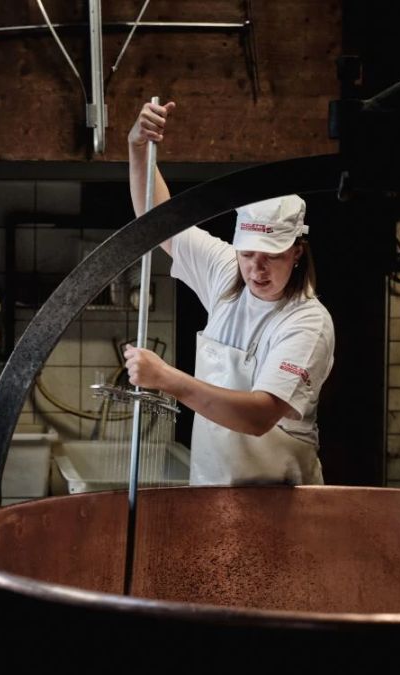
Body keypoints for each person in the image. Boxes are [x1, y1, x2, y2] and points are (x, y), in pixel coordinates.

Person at [124, 100, 335, 486]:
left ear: (296, 252)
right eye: (248, 254)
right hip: (211, 489)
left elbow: (259, 416)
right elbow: (158, 222)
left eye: (272, 257)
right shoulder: (225, 274)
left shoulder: (307, 322)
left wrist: (167, 379)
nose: (257, 269)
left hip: (280, 504)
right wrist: (138, 148)